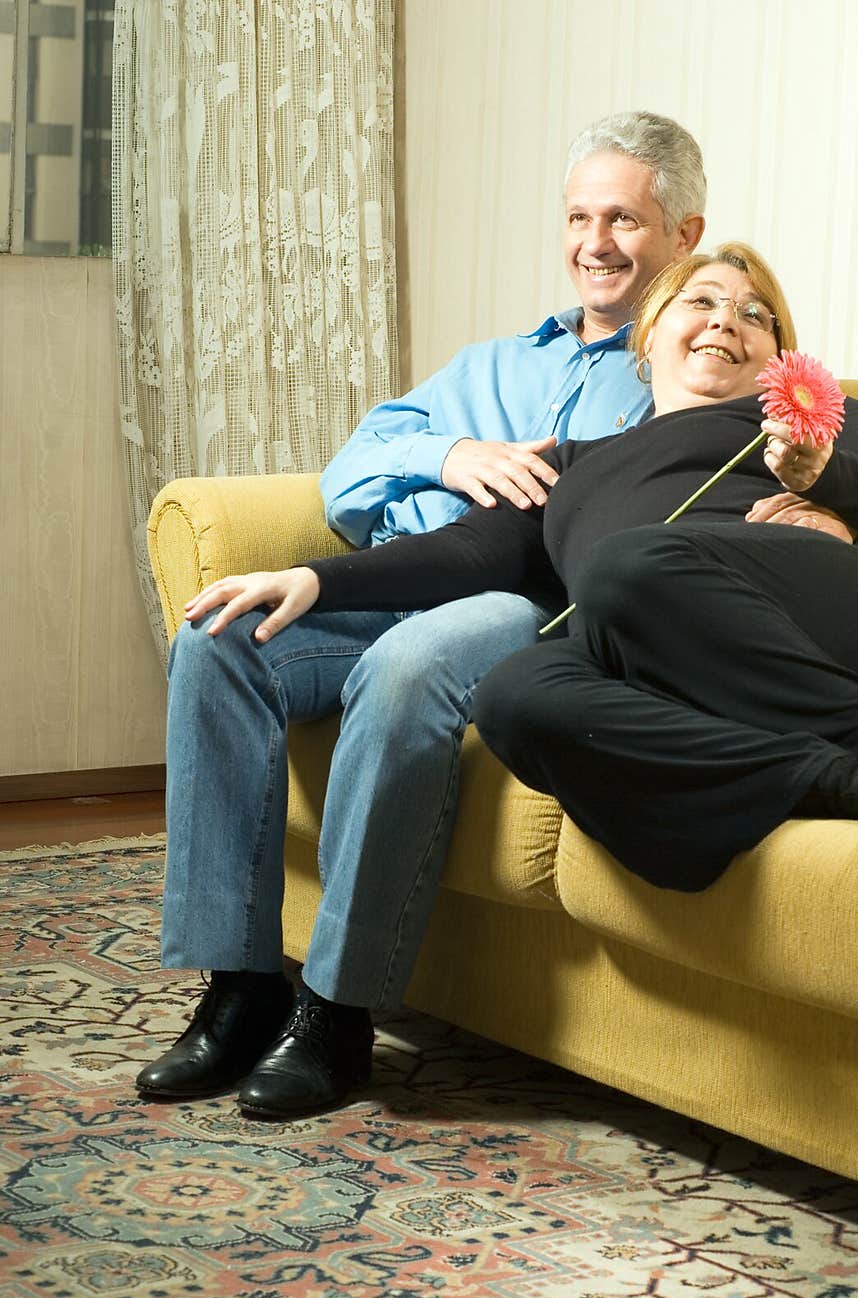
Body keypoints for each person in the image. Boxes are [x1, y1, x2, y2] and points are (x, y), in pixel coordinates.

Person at [137, 111, 709, 1117]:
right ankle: (239, 987)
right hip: (397, 578)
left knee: (406, 665)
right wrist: (448, 455)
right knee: (220, 636)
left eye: (623, 218)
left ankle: (336, 1008)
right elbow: (353, 469)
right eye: (578, 216)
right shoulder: (489, 366)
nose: (593, 242)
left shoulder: (682, 366)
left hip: (521, 606)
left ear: (682, 235)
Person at [222, 243, 858, 904]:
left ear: (778, 360)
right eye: (701, 301)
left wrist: (832, 489)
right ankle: (834, 778)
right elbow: (468, 551)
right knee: (515, 692)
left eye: (754, 315)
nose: (725, 320)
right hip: (660, 666)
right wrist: (317, 578)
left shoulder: (822, 430)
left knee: (624, 564)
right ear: (647, 339)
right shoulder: (572, 463)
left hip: (806, 613)